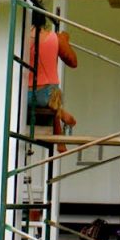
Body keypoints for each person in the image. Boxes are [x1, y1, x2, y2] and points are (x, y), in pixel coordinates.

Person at [28, 9, 78, 152]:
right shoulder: (53, 37)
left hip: (20, 96)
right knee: (54, 93)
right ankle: (61, 117)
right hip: (46, 96)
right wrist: (64, 40)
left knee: (50, 95)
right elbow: (73, 62)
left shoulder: (19, 38)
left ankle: (61, 126)